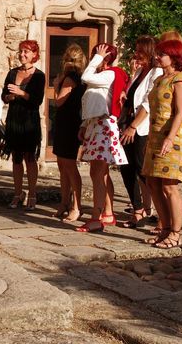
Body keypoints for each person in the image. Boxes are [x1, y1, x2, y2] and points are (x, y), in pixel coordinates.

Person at [141, 39, 182, 249]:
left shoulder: (180, 79)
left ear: (174, 57)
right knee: (152, 183)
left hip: (173, 138)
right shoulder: (160, 79)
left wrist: (170, 138)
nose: (157, 57)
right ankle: (165, 229)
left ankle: (176, 233)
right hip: (155, 137)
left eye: (161, 54)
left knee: (169, 186)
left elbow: (180, 112)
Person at [76, 43, 128, 232]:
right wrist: (84, 124)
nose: (92, 57)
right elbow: (92, 101)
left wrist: (98, 57)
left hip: (103, 126)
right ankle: (107, 213)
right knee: (100, 172)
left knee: (98, 173)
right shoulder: (102, 77)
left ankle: (96, 218)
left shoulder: (111, 74)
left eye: (95, 54)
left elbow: (85, 77)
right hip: (95, 125)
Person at [118, 36, 162, 228]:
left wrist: (133, 126)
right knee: (126, 167)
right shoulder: (139, 72)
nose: (136, 54)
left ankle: (161, 212)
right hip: (128, 123)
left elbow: (148, 102)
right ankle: (138, 209)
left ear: (149, 52)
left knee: (142, 168)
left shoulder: (156, 72)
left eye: (140, 51)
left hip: (141, 128)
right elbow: (132, 98)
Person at [2, 40, 45, 210]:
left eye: (26, 51)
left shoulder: (39, 75)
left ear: (34, 54)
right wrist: (10, 97)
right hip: (14, 118)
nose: (22, 55)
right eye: (21, 51)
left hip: (29, 120)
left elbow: (37, 100)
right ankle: (17, 193)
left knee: (30, 157)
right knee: (16, 157)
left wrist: (21, 92)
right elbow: (4, 96)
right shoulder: (12, 73)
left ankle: (32, 194)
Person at [52, 44, 87, 222]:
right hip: (70, 123)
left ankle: (75, 206)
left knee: (68, 166)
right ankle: (65, 202)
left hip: (68, 124)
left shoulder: (69, 79)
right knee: (63, 166)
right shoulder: (82, 78)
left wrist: (56, 86)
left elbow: (59, 102)